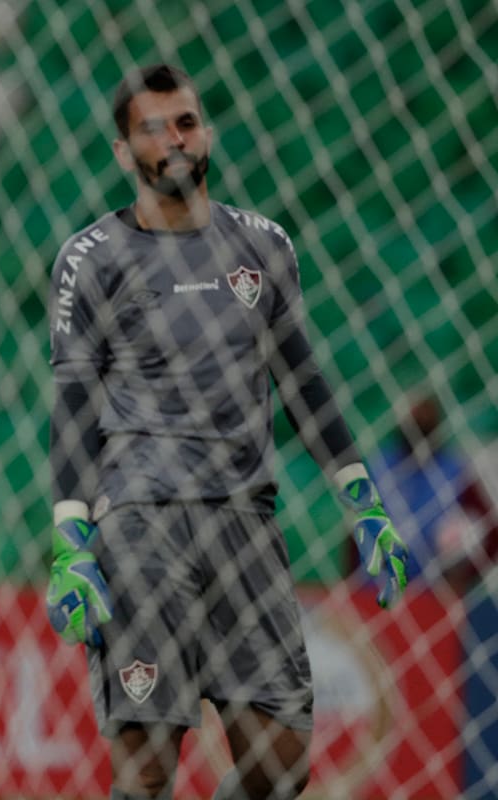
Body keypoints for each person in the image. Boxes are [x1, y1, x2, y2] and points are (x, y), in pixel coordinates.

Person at [44, 64, 408, 800]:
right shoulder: (91, 257)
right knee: (148, 770)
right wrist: (69, 543)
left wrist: (364, 503)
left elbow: (304, 384)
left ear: (206, 132)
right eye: (152, 129)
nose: (173, 140)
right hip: (142, 527)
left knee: (282, 766)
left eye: (185, 122)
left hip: (247, 523)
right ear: (124, 151)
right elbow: (75, 406)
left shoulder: (264, 245)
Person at [355, 392, 497, 595]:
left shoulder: (455, 471)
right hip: (376, 587)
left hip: (434, 591)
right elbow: (355, 527)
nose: (418, 422)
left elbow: (489, 529)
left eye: (425, 415)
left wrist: (465, 578)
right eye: (413, 416)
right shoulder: (380, 466)